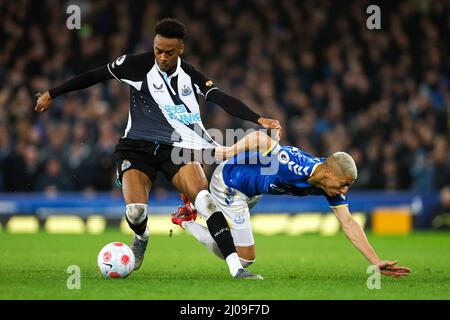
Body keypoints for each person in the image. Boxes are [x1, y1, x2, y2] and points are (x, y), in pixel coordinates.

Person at [35, 18, 281, 280]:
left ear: (181, 49)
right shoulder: (135, 65)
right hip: (135, 149)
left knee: (207, 201)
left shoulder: (191, 76)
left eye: (169, 52)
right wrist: (53, 92)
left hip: (175, 148)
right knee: (136, 212)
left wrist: (258, 119)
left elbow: (221, 98)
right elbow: (95, 75)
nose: (162, 57)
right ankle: (141, 236)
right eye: (158, 50)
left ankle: (236, 269)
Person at [172, 130, 411, 278]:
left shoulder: (329, 186)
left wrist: (375, 261)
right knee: (244, 258)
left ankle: (193, 211)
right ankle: (187, 222)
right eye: (344, 183)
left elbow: (348, 223)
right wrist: (229, 151)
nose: (344, 190)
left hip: (252, 192)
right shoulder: (296, 165)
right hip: (231, 183)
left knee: (233, 242)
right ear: (328, 172)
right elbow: (258, 138)